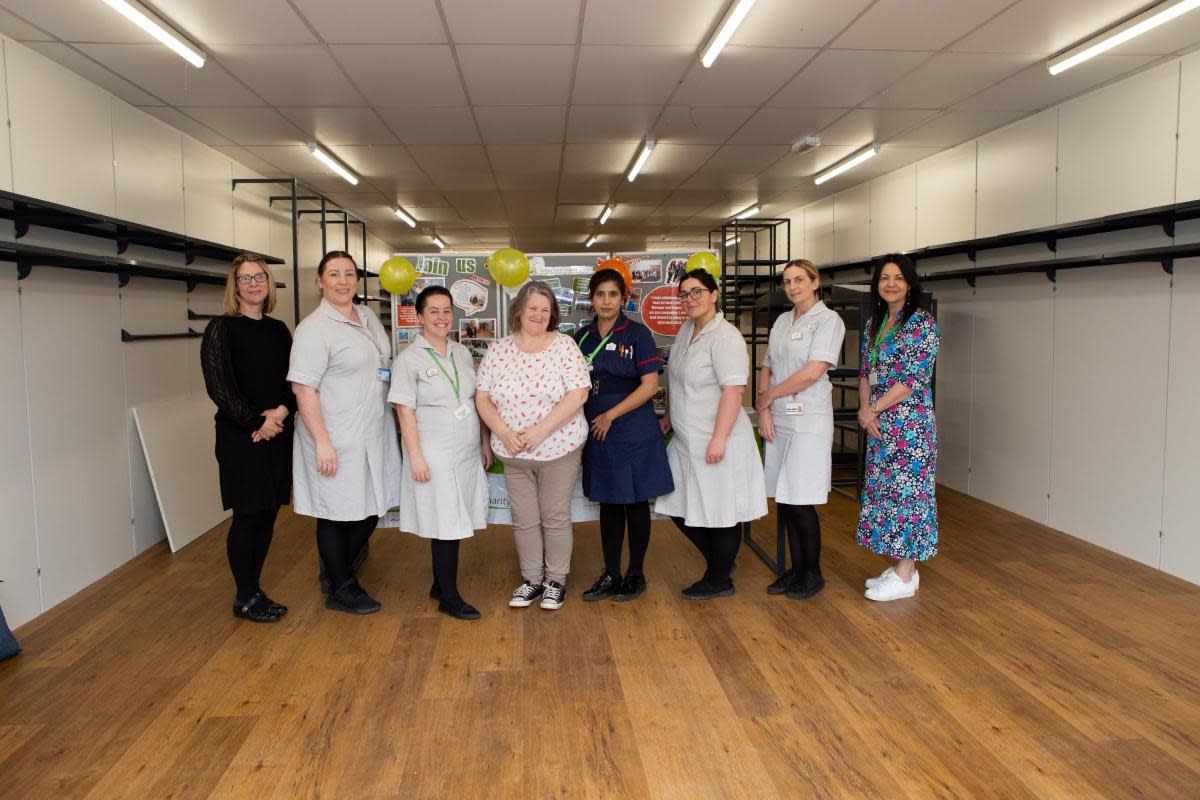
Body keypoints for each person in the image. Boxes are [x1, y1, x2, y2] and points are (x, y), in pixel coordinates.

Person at [288, 250, 401, 615]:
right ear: (320, 281)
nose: (343, 281)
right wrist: (322, 442)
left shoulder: (366, 315)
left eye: (349, 274)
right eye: (334, 274)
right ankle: (341, 587)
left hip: (372, 431)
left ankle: (339, 572)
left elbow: (381, 366)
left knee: (370, 507)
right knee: (335, 512)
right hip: (334, 435)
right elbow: (303, 389)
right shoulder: (313, 330)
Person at [475, 281, 590, 611]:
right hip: (513, 452)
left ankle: (556, 581)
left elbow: (579, 393)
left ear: (552, 313)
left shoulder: (564, 346)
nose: (539, 314)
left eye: (545, 309)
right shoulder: (498, 350)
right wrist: (503, 432)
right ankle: (532, 581)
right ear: (519, 312)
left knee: (554, 516)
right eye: (533, 308)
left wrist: (540, 431)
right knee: (523, 519)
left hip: (558, 448)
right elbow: (482, 398)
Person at [656, 268, 767, 599]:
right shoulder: (686, 330)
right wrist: (671, 418)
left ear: (714, 294)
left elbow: (733, 390)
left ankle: (719, 578)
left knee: (721, 510)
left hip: (718, 437)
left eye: (697, 292)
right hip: (687, 437)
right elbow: (675, 380)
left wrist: (718, 438)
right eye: (685, 294)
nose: (690, 299)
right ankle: (721, 563)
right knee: (675, 501)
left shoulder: (726, 336)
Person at [200, 254, 294, 623]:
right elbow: (219, 388)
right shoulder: (221, 329)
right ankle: (245, 595)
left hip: (277, 433)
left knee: (268, 513)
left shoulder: (278, 330)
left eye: (260, 277)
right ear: (234, 286)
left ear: (268, 284)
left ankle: (255, 589)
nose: (254, 284)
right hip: (241, 437)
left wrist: (280, 414)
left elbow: (293, 382)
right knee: (247, 514)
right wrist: (257, 421)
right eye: (245, 279)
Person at [389, 286, 490, 621]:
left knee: (456, 517)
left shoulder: (461, 353)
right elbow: (404, 412)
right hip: (433, 452)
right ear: (419, 317)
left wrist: (484, 444)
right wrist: (415, 457)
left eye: (446, 310)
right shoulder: (408, 360)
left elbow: (474, 402)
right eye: (433, 311)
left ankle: (438, 584)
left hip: (464, 450)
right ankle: (449, 596)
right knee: (446, 522)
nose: (441, 317)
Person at [574, 268, 673, 602]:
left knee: (634, 501)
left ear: (624, 298)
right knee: (610, 501)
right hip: (597, 428)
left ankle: (635, 573)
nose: (606, 301)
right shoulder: (581, 337)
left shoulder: (637, 334)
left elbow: (650, 386)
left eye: (613, 294)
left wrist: (610, 415)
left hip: (631, 426)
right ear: (591, 299)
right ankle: (611, 572)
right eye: (600, 294)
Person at [756, 260, 846, 600]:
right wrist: (765, 408)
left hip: (808, 418)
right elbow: (767, 366)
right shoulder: (782, 320)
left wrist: (769, 398)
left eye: (799, 280)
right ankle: (795, 570)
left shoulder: (828, 321)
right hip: (779, 417)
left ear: (815, 282)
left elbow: (812, 372)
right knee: (786, 497)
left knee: (801, 499)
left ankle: (813, 573)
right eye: (787, 281)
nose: (793, 286)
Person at [857, 254, 940, 602]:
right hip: (879, 423)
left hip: (910, 426)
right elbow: (865, 371)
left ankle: (906, 574)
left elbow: (912, 379)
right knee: (886, 496)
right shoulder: (875, 324)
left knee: (910, 497)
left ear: (910, 283)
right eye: (884, 278)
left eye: (898, 277)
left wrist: (872, 408)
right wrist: (865, 409)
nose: (891, 283)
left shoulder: (922, 323)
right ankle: (904, 568)